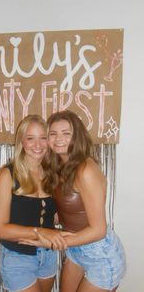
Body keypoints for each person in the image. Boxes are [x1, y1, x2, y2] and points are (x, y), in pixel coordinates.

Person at [20, 110, 126, 292]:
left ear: (76, 136)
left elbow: (99, 230)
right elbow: (63, 212)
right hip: (76, 250)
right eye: (52, 134)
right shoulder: (58, 166)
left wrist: (54, 242)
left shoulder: (85, 169)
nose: (58, 138)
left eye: (66, 133)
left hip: (99, 253)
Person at [0, 114, 70, 292]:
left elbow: (52, 217)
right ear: (21, 142)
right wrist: (42, 232)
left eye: (43, 138)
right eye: (31, 138)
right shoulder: (7, 175)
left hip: (48, 255)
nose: (38, 145)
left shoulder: (53, 174)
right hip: (18, 258)